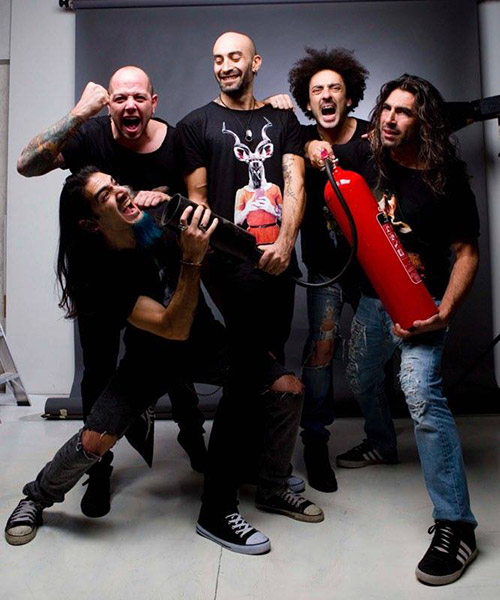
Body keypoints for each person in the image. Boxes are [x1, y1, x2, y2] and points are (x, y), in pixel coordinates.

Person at [5, 166, 286, 555]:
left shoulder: (156, 218)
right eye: (105, 195)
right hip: (150, 357)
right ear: (90, 224)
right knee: (95, 439)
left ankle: (271, 484)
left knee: (285, 387)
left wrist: (181, 212)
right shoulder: (99, 276)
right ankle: (35, 498)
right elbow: (172, 327)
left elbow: (216, 262)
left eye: (115, 183)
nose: (120, 191)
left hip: (206, 344)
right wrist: (191, 259)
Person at [16, 66, 206, 518]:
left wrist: (167, 201)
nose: (129, 106)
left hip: (154, 267)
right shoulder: (92, 134)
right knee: (99, 368)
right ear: (109, 104)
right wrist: (81, 112)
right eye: (120, 98)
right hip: (104, 275)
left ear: (153, 102)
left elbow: (196, 203)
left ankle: (193, 437)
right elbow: (27, 164)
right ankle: (97, 471)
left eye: (139, 97)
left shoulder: (175, 140)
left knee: (173, 354)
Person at [316, 74, 479, 585]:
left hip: (421, 303)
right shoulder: (369, 154)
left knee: (421, 394)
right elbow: (318, 138)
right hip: (373, 298)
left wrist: (445, 312)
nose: (390, 119)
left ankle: (457, 524)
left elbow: (466, 253)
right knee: (360, 376)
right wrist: (310, 142)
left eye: (404, 111)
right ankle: (382, 442)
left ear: (423, 120)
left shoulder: (446, 177)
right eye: (386, 108)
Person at [176, 31, 324, 551]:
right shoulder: (196, 125)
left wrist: (285, 243)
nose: (225, 66)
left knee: (270, 367)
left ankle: (266, 475)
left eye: (235, 57)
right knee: (245, 376)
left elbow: (295, 182)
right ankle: (217, 508)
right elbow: (198, 201)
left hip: (279, 265)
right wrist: (215, 256)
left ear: (255, 62)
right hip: (229, 270)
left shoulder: (284, 120)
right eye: (217, 59)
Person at [287, 48, 370, 493]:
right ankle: (315, 441)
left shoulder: (373, 138)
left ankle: (380, 437)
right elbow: (279, 131)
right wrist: (306, 145)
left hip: (373, 269)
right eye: (316, 89)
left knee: (379, 352)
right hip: (324, 271)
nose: (326, 95)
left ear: (349, 96)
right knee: (320, 352)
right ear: (307, 100)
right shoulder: (299, 138)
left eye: (334, 88)